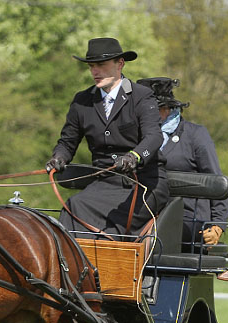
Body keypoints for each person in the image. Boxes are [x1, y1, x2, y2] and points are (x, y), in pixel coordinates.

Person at [46, 38, 168, 239]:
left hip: (144, 184)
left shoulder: (142, 96)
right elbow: (67, 142)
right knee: (74, 205)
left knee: (101, 218)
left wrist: (134, 157)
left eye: (101, 65)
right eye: (91, 66)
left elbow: (154, 137)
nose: (95, 71)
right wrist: (59, 157)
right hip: (104, 183)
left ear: (120, 64)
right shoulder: (82, 101)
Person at [136, 77, 228, 246]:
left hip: (188, 217)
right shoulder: (136, 136)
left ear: (166, 109)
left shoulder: (195, 135)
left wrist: (218, 225)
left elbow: (215, 179)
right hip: (145, 214)